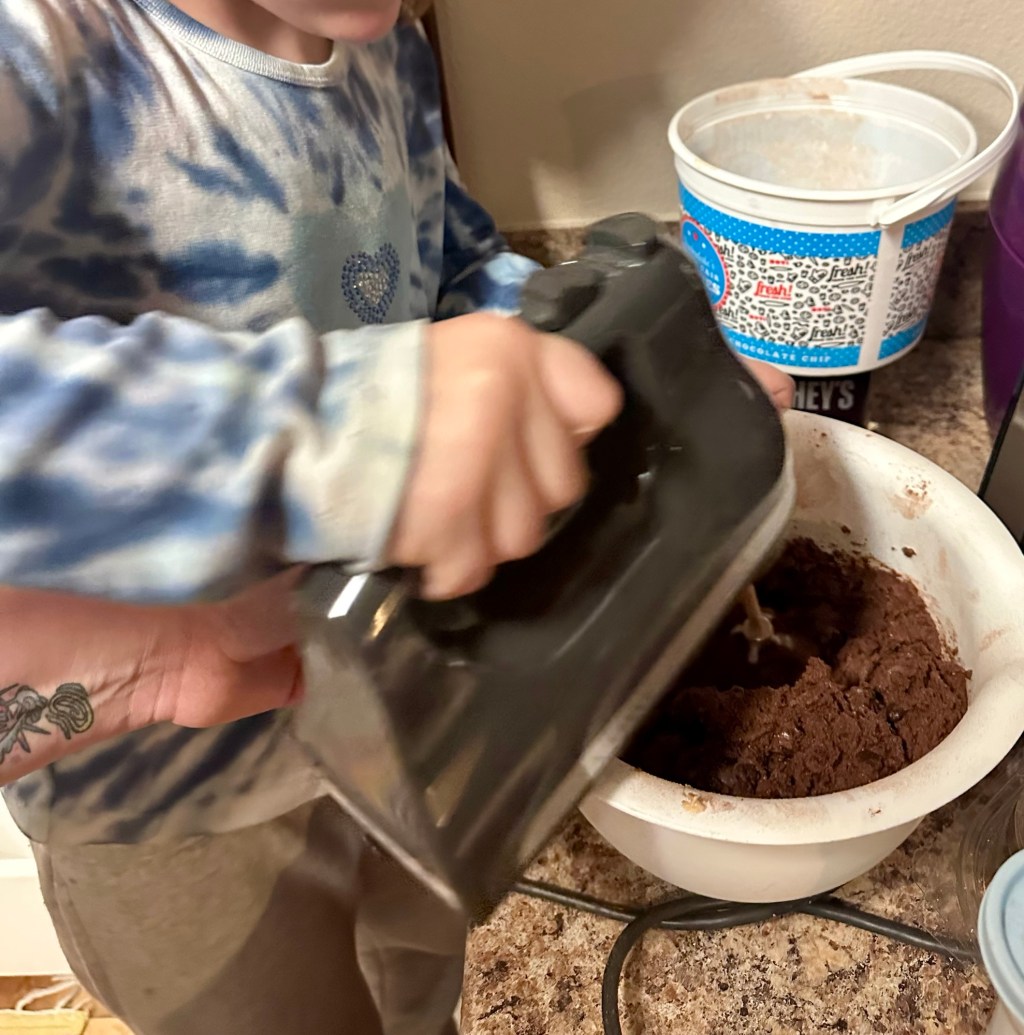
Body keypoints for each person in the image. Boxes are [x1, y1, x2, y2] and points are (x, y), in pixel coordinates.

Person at [0, 0, 794, 1032]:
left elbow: (455, 272)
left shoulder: (388, 49)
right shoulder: (40, 57)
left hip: (407, 716)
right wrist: (337, 433)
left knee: (418, 981)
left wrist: (592, 361)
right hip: (172, 810)